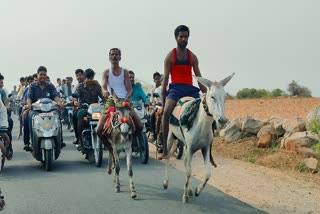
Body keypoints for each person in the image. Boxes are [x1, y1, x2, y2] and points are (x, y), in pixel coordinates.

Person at [158, 25, 206, 160]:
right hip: (175, 89)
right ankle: (166, 150)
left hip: (190, 89)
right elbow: (165, 80)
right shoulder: (170, 56)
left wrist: (207, 94)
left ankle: (206, 147)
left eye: (186, 37)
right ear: (176, 38)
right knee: (166, 113)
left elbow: (199, 78)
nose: (184, 39)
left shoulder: (192, 57)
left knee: (205, 112)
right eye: (181, 36)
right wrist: (163, 102)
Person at [97, 48, 143, 153]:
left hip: (124, 101)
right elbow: (103, 86)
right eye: (112, 54)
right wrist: (104, 91)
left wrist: (127, 98)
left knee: (140, 126)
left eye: (116, 54)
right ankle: (111, 150)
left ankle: (131, 141)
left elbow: (129, 89)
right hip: (111, 102)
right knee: (99, 130)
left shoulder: (125, 72)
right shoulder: (106, 73)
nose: (114, 56)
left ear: (120, 57)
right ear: (109, 57)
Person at [24, 66, 65, 152]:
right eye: (41, 74)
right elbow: (29, 97)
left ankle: (60, 140)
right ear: (37, 75)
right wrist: (29, 104)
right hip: (36, 111)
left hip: (50, 110)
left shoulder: (50, 86)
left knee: (58, 116)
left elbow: (55, 96)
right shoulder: (32, 86)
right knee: (28, 117)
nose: (43, 76)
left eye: (44, 75)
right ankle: (28, 142)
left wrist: (59, 103)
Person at [73, 68, 103, 150]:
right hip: (85, 111)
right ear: (85, 77)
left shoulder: (97, 86)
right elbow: (75, 95)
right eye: (88, 78)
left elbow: (103, 96)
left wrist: (107, 99)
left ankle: (105, 140)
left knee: (105, 117)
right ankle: (81, 141)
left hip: (95, 111)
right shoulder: (80, 86)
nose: (90, 80)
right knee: (81, 116)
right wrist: (76, 101)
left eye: (91, 78)